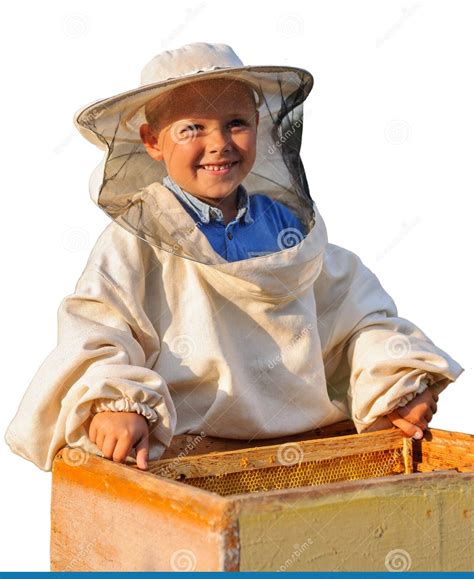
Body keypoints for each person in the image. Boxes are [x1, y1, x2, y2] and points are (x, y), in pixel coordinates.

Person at [4, 43, 463, 472]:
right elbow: (101, 325)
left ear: (258, 128)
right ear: (152, 140)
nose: (219, 142)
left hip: (309, 447)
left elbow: (354, 315)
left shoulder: (289, 232)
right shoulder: (136, 240)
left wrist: (394, 383)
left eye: (235, 123)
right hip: (187, 452)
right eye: (192, 129)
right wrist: (116, 403)